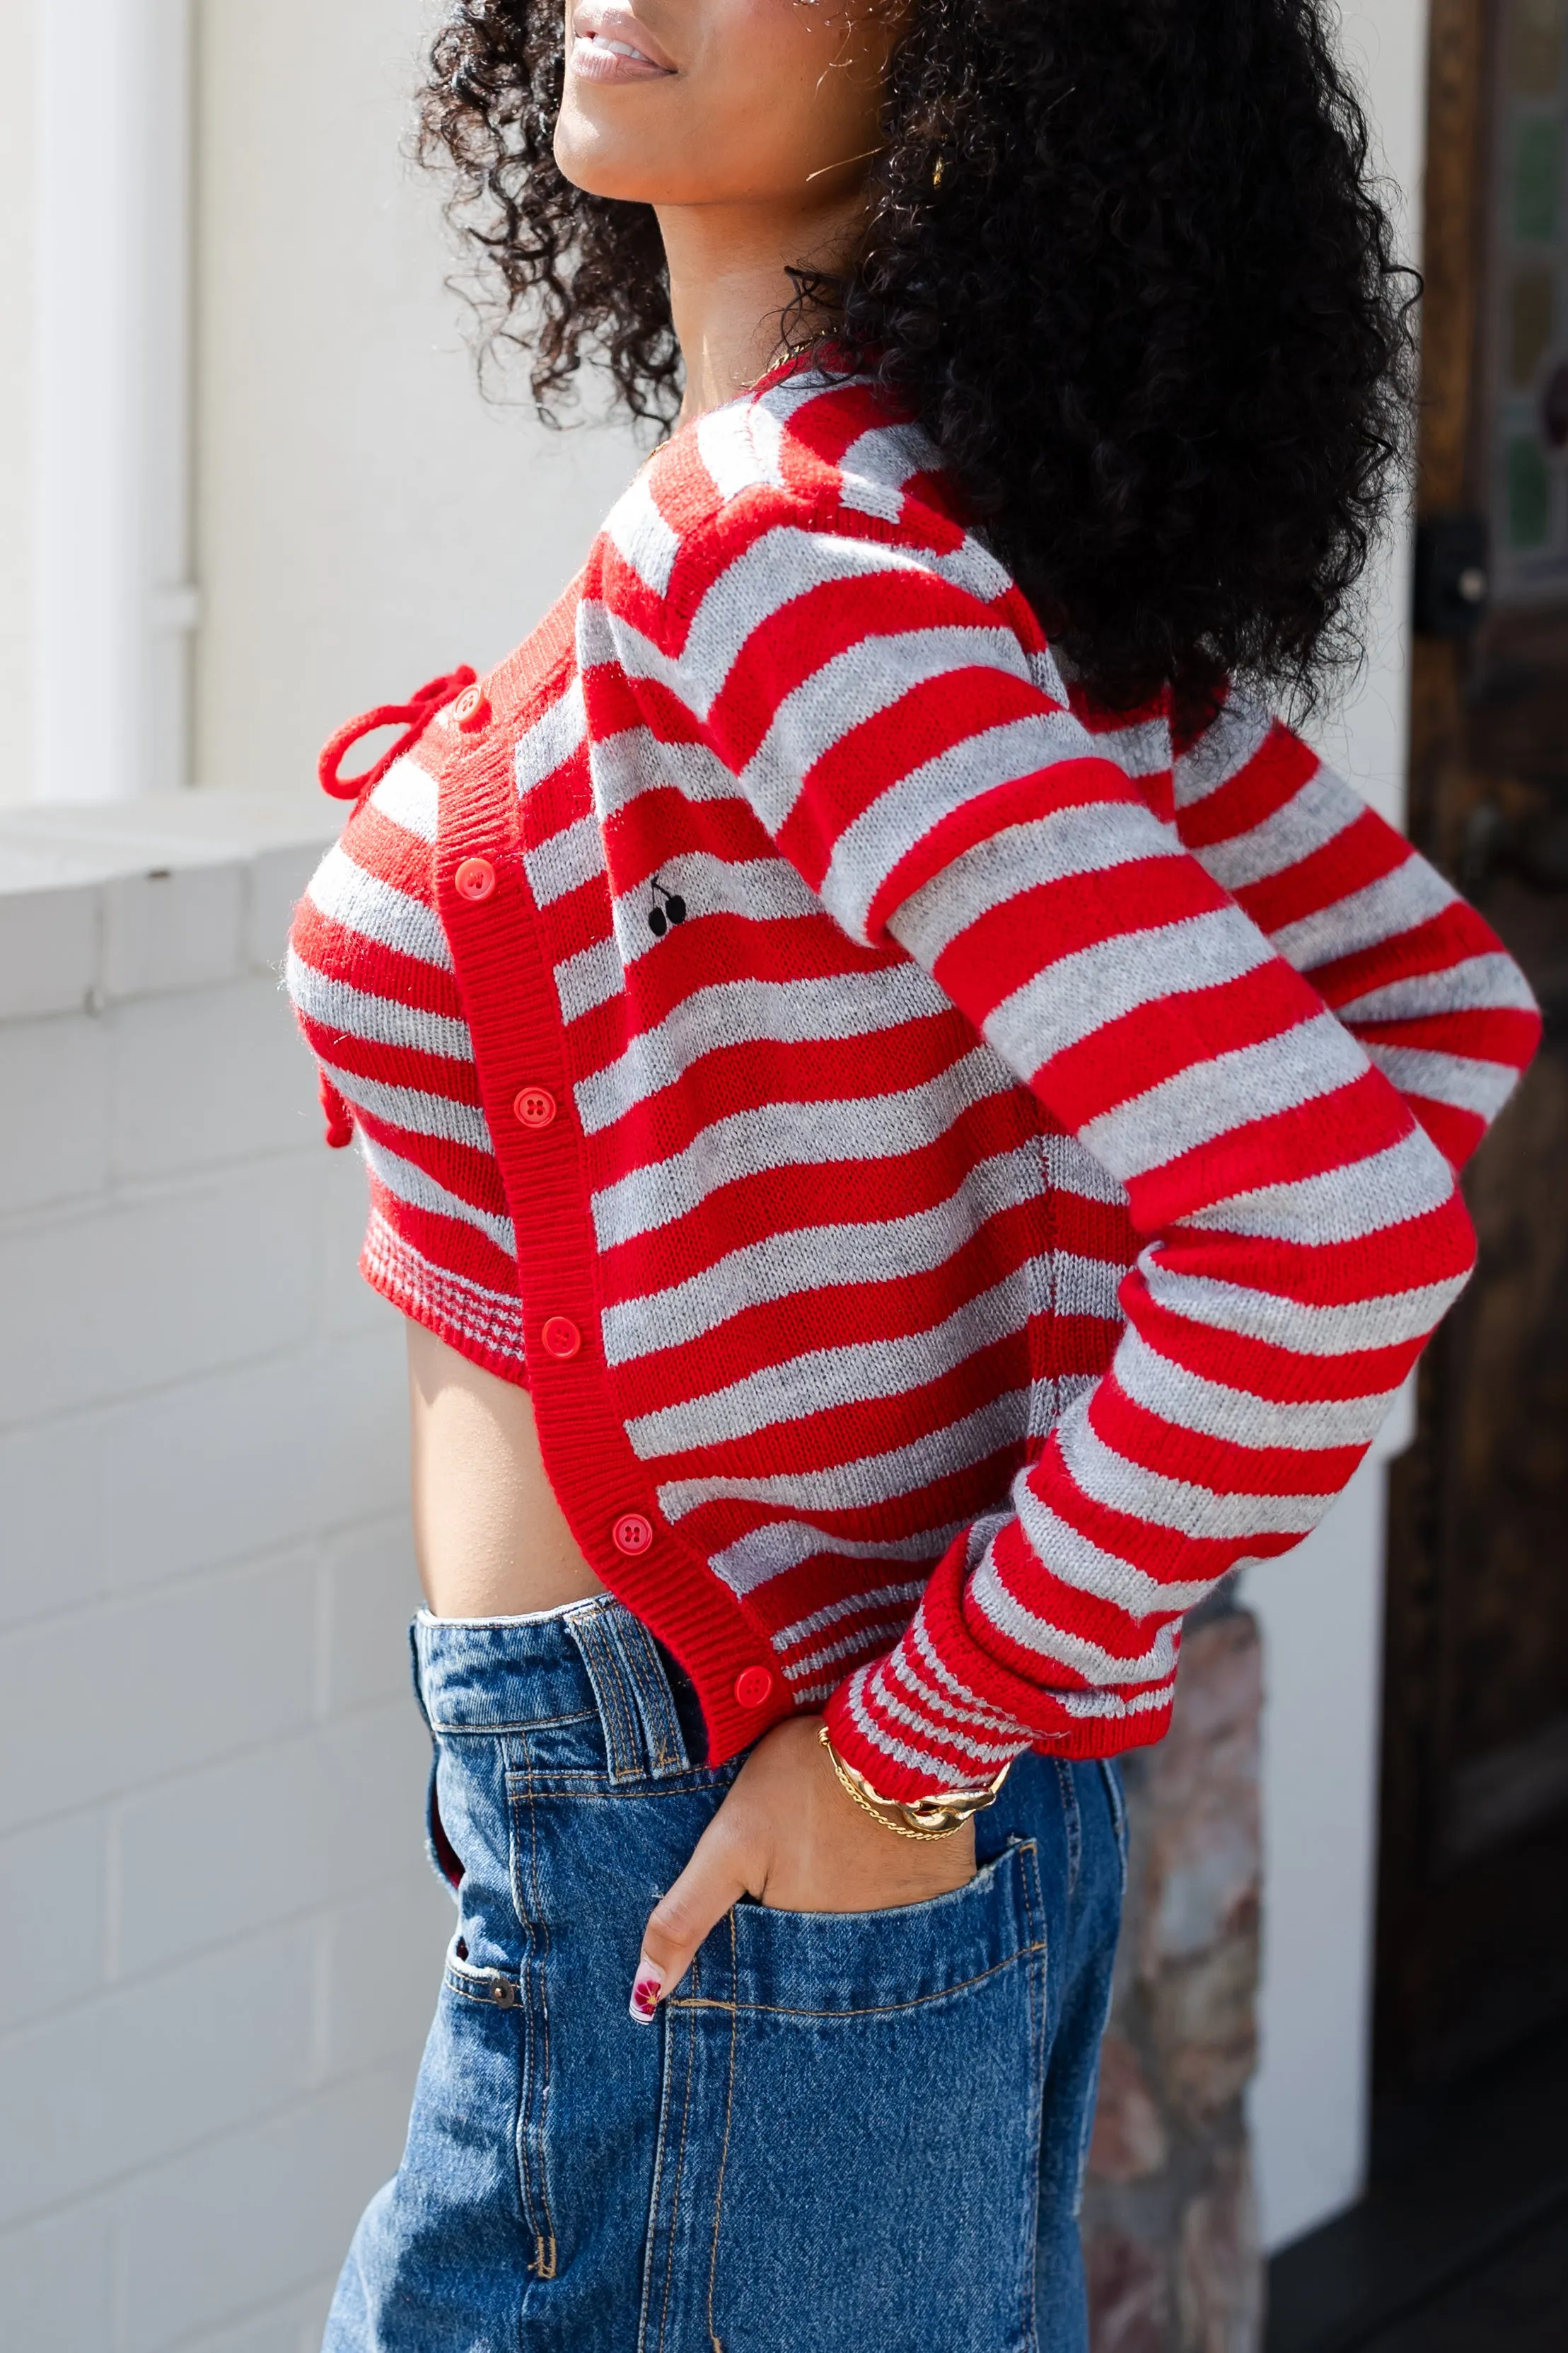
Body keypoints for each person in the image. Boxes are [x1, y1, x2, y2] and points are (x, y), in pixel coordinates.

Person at [287, 0, 1541, 2342]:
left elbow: (1334, 1225)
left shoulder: (791, 546)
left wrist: (927, 1724)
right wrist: (1012, 1625)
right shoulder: (936, 518)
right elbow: (1440, 1018)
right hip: (782, 1846)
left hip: (737, 1833)